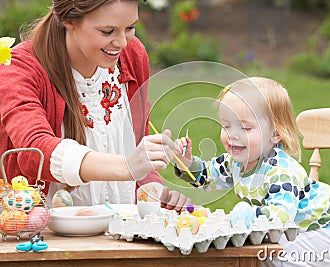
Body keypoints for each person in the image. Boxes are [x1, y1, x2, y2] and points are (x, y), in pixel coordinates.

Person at [0, 0, 190, 211]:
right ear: (69, 20)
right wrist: (127, 167)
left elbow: (135, 147)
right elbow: (35, 150)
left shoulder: (132, 56)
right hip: (45, 236)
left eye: (130, 28)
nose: (122, 43)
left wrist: (154, 194)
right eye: (107, 31)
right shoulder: (19, 69)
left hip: (119, 234)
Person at [174, 77, 330, 266]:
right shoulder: (235, 163)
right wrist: (187, 164)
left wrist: (247, 215)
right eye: (226, 125)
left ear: (275, 133)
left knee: (266, 256)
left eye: (245, 127)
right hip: (298, 230)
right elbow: (208, 178)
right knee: (255, 251)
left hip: (329, 234)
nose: (232, 134)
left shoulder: (281, 172)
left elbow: (279, 217)